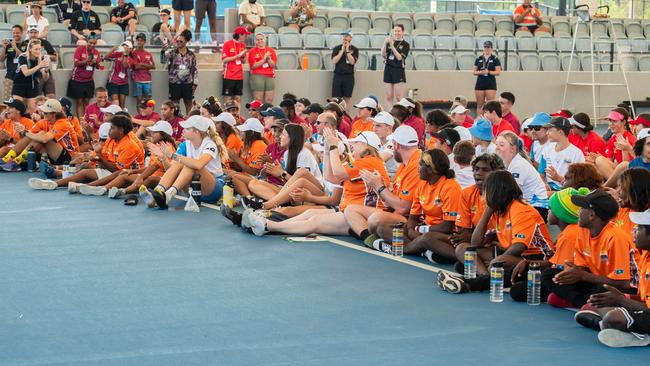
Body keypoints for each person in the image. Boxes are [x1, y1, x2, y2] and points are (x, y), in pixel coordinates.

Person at [243, 129, 389, 236]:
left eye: (356, 143)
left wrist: (332, 147)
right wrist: (327, 150)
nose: (353, 146)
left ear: (366, 146)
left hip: (357, 214)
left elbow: (336, 176)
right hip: (350, 211)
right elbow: (330, 177)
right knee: (311, 214)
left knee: (313, 221)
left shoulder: (369, 161)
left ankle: (268, 224)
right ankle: (266, 221)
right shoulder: (367, 162)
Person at [437, 170, 553, 294]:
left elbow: (519, 246)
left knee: (496, 263)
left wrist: (498, 261)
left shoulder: (521, 210)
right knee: (463, 249)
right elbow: (475, 243)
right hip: (511, 254)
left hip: (535, 257)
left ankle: (469, 284)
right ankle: (486, 276)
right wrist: (488, 211)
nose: (483, 196)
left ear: (495, 192)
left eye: (486, 191)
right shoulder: (497, 209)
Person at [541, 189, 632, 308]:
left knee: (601, 290)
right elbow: (581, 268)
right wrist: (570, 274)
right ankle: (583, 303)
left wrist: (583, 276)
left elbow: (624, 283)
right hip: (592, 281)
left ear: (591, 215)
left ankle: (585, 303)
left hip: (615, 286)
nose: (578, 212)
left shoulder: (616, 238)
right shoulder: (583, 231)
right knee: (549, 275)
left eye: (582, 208)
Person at [508, 187, 590, 302]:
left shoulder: (571, 234)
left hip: (570, 280)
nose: (548, 211)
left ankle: (578, 300)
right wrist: (531, 264)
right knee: (521, 271)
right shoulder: (568, 232)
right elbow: (553, 263)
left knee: (542, 278)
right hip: (561, 276)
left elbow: (560, 270)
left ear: (561, 214)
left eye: (551, 208)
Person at [28, 114, 143, 191]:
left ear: (121, 131)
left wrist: (98, 157)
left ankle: (59, 183)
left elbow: (117, 171)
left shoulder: (129, 145)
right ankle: (57, 181)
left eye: (112, 128)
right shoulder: (111, 140)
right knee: (85, 167)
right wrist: (95, 155)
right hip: (113, 172)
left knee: (85, 171)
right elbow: (104, 161)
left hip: (125, 176)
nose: (109, 130)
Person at [591, 208, 650, 348]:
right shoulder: (645, 256)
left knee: (614, 317)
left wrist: (621, 300)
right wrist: (617, 298)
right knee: (600, 299)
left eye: (640, 228)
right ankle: (612, 324)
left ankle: (638, 335)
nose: (634, 231)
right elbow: (644, 299)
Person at [141, 115, 227, 208]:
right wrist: (163, 158)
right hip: (194, 189)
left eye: (187, 128)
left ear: (196, 131)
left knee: (189, 165)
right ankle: (158, 193)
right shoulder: (185, 144)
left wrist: (173, 156)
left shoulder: (210, 144)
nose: (183, 129)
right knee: (180, 163)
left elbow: (199, 164)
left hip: (214, 189)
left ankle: (168, 195)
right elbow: (171, 169)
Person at [452, 154, 506, 275]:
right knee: (461, 249)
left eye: (485, 170)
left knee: (464, 254)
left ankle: (483, 273)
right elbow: (465, 232)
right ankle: (484, 274)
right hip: (482, 243)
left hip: (505, 249)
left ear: (496, 173)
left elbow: (507, 239)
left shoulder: (504, 195)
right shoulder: (467, 193)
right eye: (476, 169)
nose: (478, 173)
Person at [105, 121, 177, 199]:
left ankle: (123, 191)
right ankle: (103, 189)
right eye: (152, 132)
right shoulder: (157, 145)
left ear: (164, 134)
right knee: (124, 174)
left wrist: (140, 177)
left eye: (155, 132)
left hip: (164, 180)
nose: (151, 134)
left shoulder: (167, 147)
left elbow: (155, 166)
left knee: (151, 179)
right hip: (151, 176)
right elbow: (150, 167)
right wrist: (133, 171)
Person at [3, 99, 78, 167]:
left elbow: (44, 139)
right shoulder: (44, 121)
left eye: (45, 113)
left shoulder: (63, 123)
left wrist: (24, 132)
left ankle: (16, 163)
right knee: (34, 136)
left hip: (70, 158)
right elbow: (27, 137)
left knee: (41, 134)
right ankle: (7, 159)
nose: (42, 114)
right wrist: (22, 132)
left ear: (53, 114)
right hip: (54, 154)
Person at [495, 131, 549, 217]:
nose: (497, 148)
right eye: (496, 144)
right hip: (528, 205)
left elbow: (511, 194)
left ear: (513, 149)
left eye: (501, 145)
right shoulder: (509, 163)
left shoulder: (518, 165)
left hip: (537, 208)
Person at [539, 117, 585, 191]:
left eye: (550, 130)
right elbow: (541, 174)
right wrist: (544, 185)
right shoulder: (547, 150)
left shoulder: (576, 153)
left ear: (560, 132)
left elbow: (579, 183)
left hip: (567, 191)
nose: (547, 133)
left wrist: (558, 178)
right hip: (549, 189)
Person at [596, 107, 637, 180]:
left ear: (624, 122)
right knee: (598, 162)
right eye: (609, 120)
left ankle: (616, 186)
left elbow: (628, 165)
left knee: (600, 160)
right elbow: (610, 160)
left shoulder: (631, 139)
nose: (611, 124)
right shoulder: (613, 139)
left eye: (614, 121)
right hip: (619, 172)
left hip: (631, 174)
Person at [67, 35, 101, 119]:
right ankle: (80, 121)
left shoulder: (96, 52)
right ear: (87, 42)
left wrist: (95, 63)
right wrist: (87, 61)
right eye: (90, 43)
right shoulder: (80, 49)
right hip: (77, 79)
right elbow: (76, 63)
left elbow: (98, 67)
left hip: (89, 80)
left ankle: (86, 120)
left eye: (94, 43)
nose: (92, 45)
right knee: (79, 101)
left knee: (86, 101)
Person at [165, 29, 198, 115]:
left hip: (188, 83)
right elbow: (163, 59)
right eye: (177, 41)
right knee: (175, 105)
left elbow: (195, 69)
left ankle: (189, 121)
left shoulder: (191, 54)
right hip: (174, 82)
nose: (178, 42)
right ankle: (176, 122)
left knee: (188, 104)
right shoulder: (172, 53)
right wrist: (165, 51)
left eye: (181, 41)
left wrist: (195, 83)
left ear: (186, 41)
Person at [10, 39, 48, 114]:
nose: (38, 51)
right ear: (30, 49)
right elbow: (26, 73)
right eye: (36, 49)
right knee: (17, 108)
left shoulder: (40, 59)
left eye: (39, 49)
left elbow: (45, 78)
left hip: (32, 85)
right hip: (19, 84)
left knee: (32, 110)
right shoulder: (23, 57)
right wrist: (39, 66)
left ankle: (31, 125)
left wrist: (46, 70)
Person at [22, 25, 57, 99]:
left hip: (45, 71)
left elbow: (55, 57)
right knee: (36, 99)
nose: (33, 34)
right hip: (33, 74)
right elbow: (21, 57)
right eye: (31, 32)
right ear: (28, 33)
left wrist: (45, 56)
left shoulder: (45, 43)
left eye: (35, 32)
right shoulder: (24, 44)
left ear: (38, 33)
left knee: (51, 97)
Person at [382, 24, 410, 107]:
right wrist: (385, 43)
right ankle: (390, 116)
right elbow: (383, 54)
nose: (396, 33)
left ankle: (399, 116)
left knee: (398, 97)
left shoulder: (405, 44)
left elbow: (399, 58)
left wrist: (392, 46)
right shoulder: (390, 41)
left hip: (398, 70)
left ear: (402, 32)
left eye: (398, 31)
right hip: (388, 69)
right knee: (389, 96)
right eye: (395, 31)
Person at [0, 98, 34, 164]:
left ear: (18, 111)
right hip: (7, 151)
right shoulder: (6, 123)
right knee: (3, 149)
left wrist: (10, 139)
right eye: (7, 107)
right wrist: (2, 139)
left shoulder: (29, 122)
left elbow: (29, 144)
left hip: (22, 153)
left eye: (10, 107)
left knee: (4, 149)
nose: (7, 110)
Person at [331, 30, 358, 112]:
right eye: (344, 36)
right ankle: (334, 115)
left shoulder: (355, 49)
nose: (345, 38)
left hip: (349, 76)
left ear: (351, 38)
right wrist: (342, 51)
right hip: (338, 75)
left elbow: (352, 62)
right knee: (335, 98)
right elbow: (334, 61)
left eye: (347, 36)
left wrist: (347, 51)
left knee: (347, 98)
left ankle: (346, 116)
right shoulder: (336, 48)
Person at [222, 27, 250, 104]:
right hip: (229, 75)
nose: (246, 37)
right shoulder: (227, 44)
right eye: (245, 35)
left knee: (238, 98)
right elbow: (224, 60)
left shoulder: (243, 45)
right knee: (228, 99)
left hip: (239, 76)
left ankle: (237, 116)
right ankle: (226, 115)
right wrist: (237, 56)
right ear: (240, 35)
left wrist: (243, 56)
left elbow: (244, 61)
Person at [473, 41, 501, 115]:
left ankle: (489, 120)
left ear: (491, 48)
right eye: (485, 47)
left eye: (488, 47)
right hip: (480, 82)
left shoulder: (495, 58)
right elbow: (474, 72)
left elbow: (498, 72)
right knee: (479, 104)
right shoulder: (478, 58)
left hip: (490, 83)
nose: (486, 49)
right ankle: (480, 121)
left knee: (490, 105)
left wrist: (488, 72)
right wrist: (481, 72)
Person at [248, 33, 277, 104]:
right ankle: (256, 115)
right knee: (258, 99)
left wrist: (269, 59)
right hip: (257, 75)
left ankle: (268, 115)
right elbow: (253, 66)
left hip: (269, 76)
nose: (260, 41)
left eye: (261, 39)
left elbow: (274, 65)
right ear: (255, 41)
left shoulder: (271, 50)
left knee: (269, 99)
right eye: (258, 40)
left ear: (265, 40)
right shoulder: (252, 51)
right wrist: (264, 59)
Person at [0, 26, 26, 102]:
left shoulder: (26, 44)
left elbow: (24, 57)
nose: (15, 34)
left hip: (22, 77)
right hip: (10, 76)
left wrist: (15, 48)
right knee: (6, 100)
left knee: (20, 102)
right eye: (14, 33)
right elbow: (1, 59)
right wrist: (4, 48)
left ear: (21, 33)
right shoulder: (8, 45)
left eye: (17, 32)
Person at [129, 33, 155, 105]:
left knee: (149, 101)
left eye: (141, 40)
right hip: (137, 80)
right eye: (138, 40)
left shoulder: (148, 54)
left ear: (144, 42)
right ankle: (140, 116)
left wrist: (142, 64)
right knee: (139, 101)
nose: (139, 42)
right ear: (136, 41)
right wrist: (147, 66)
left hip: (147, 80)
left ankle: (149, 116)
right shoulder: (133, 53)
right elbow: (136, 67)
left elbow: (153, 66)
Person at [105, 41, 132, 109]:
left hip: (124, 83)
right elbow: (106, 57)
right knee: (116, 103)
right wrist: (113, 49)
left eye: (126, 46)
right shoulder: (118, 54)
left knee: (122, 104)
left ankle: (121, 118)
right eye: (123, 46)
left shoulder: (131, 58)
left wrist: (125, 55)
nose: (124, 47)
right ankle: (115, 119)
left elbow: (125, 65)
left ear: (130, 49)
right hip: (113, 81)